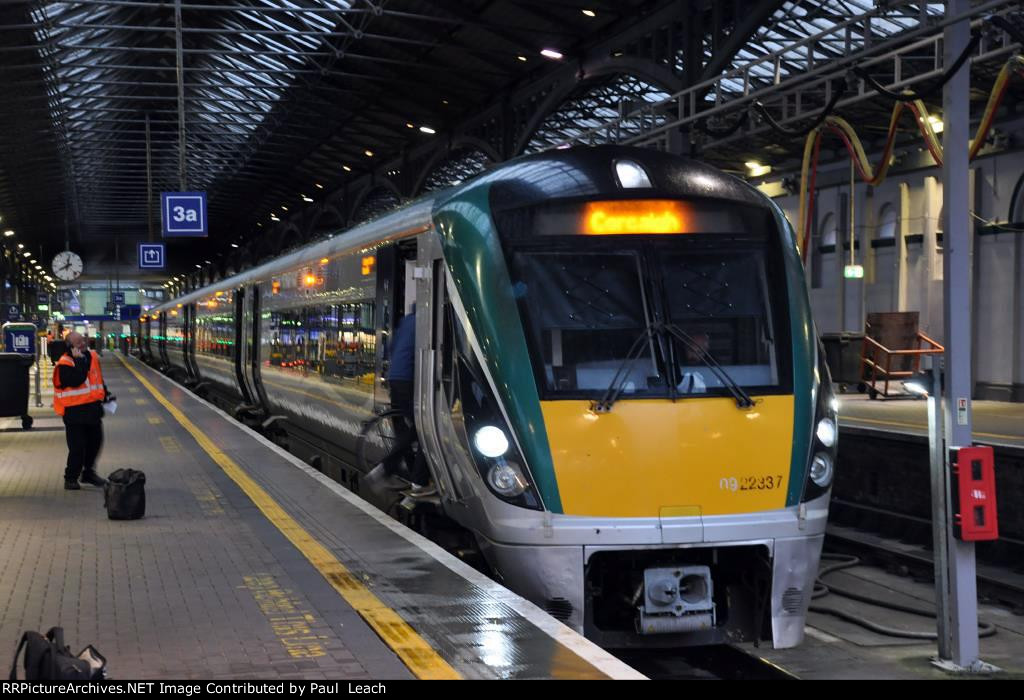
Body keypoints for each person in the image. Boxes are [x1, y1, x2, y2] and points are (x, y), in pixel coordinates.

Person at [366, 306, 434, 496]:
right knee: (423, 430)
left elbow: (390, 348)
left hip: (395, 380)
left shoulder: (405, 322)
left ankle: (400, 469)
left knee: (412, 429)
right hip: (409, 381)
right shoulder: (427, 322)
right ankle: (416, 481)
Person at [53, 331, 110, 490]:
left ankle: (88, 473)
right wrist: (78, 361)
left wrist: (105, 393)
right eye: (78, 342)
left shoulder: (92, 356)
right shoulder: (65, 363)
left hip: (92, 410)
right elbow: (76, 380)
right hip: (74, 413)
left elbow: (97, 378)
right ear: (70, 346)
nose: (83, 344)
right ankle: (70, 477)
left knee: (95, 443)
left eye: (83, 341)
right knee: (77, 448)